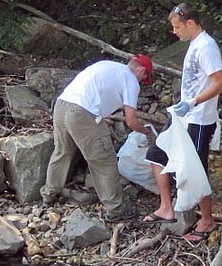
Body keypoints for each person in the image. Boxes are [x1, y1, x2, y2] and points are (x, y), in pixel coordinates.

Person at [143, 3, 222, 242]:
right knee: (156, 155)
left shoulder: (206, 46)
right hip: (183, 117)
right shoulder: (197, 44)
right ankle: (167, 207)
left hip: (198, 120)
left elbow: (216, 82)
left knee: (196, 171)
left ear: (190, 23)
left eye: (177, 27)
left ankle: (207, 220)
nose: (174, 32)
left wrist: (193, 102)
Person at [40, 55, 154, 221]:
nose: (142, 82)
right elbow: (131, 120)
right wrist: (147, 132)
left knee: (62, 152)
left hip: (62, 105)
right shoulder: (130, 79)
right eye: (144, 78)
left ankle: (49, 195)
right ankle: (116, 209)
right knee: (104, 160)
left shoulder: (107, 65)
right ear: (141, 70)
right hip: (81, 113)